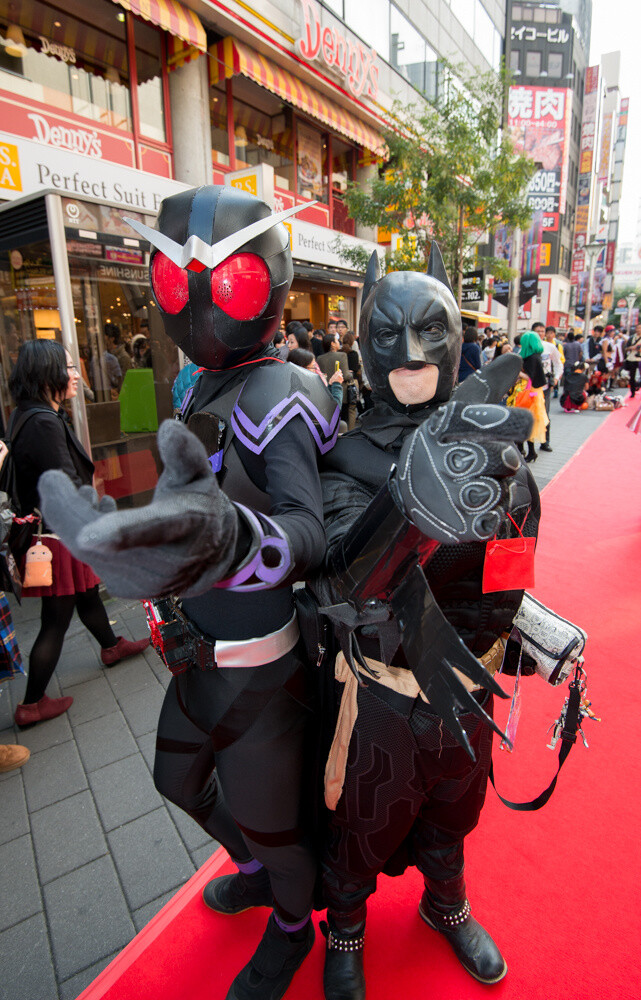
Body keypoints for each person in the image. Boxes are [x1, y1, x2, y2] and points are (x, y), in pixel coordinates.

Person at [40, 186, 340, 1000]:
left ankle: (291, 926)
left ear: (267, 281)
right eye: (178, 282)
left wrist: (237, 538)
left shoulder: (279, 393)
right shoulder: (192, 386)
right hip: (193, 654)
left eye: (230, 281)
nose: (202, 302)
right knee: (176, 782)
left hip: (260, 667)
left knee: (276, 829)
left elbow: (310, 531)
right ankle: (256, 872)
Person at [313, 249, 538, 999]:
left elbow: (507, 567)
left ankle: (447, 904)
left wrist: (528, 632)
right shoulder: (347, 456)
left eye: (428, 330)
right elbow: (343, 581)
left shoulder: (492, 440)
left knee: (455, 811)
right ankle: (346, 930)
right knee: (363, 820)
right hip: (384, 689)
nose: (410, 353)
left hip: (468, 688)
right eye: (388, 333)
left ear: (454, 339)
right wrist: (410, 502)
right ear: (364, 346)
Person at [8, 340, 149, 727]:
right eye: (68, 368)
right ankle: (31, 703)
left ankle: (111, 646)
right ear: (46, 374)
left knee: (86, 594)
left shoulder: (28, 414)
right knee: (56, 620)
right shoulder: (43, 422)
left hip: (53, 531)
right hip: (59, 535)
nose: (75, 375)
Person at [517, 331, 548, 463]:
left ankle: (527, 451)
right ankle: (529, 452)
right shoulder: (536, 357)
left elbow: (529, 377)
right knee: (529, 422)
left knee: (525, 422)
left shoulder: (531, 358)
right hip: (534, 393)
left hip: (528, 393)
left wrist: (517, 371)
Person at [624, 322, 641, 398]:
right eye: (637, 328)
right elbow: (626, 348)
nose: (639, 330)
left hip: (640, 358)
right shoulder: (631, 338)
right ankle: (632, 391)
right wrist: (631, 348)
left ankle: (638, 386)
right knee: (632, 376)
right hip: (632, 358)